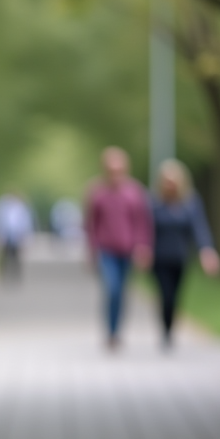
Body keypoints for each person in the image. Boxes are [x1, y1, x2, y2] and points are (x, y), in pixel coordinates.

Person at [84, 147, 152, 350]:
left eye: (119, 169)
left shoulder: (135, 192)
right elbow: (91, 224)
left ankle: (118, 330)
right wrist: (92, 250)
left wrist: (143, 246)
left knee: (122, 292)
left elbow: (142, 222)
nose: (115, 173)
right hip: (106, 250)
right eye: (111, 169)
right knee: (111, 288)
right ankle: (111, 332)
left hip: (128, 249)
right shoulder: (96, 192)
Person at [150, 159, 220, 348]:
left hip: (180, 258)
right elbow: (146, 230)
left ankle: (170, 328)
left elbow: (200, 228)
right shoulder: (154, 203)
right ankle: (165, 330)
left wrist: (206, 250)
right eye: (167, 181)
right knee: (166, 295)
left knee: (176, 296)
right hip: (159, 258)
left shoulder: (191, 202)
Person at [0, 191, 33, 283]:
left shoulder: (21, 208)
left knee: (16, 256)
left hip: (16, 235)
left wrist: (25, 237)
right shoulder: (2, 207)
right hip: (5, 235)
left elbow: (25, 223)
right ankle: (4, 275)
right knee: (4, 256)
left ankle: (15, 275)